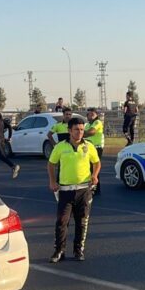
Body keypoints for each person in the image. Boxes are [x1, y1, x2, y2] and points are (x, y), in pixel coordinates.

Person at [47, 117, 101, 263]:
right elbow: (51, 164)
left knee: (82, 222)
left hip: (84, 190)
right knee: (62, 221)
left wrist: (95, 176)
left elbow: (96, 162)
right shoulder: (60, 147)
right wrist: (52, 181)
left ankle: (78, 251)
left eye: (82, 130)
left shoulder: (89, 146)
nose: (80, 132)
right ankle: (59, 251)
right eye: (76, 129)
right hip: (65, 190)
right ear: (69, 130)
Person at [84, 108, 105, 196]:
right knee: (87, 168)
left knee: (94, 168)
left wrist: (81, 133)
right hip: (87, 147)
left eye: (94, 114)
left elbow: (92, 132)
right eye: (90, 114)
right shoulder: (87, 124)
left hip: (96, 147)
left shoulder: (97, 122)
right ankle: (90, 188)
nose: (92, 115)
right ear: (87, 116)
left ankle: (95, 189)